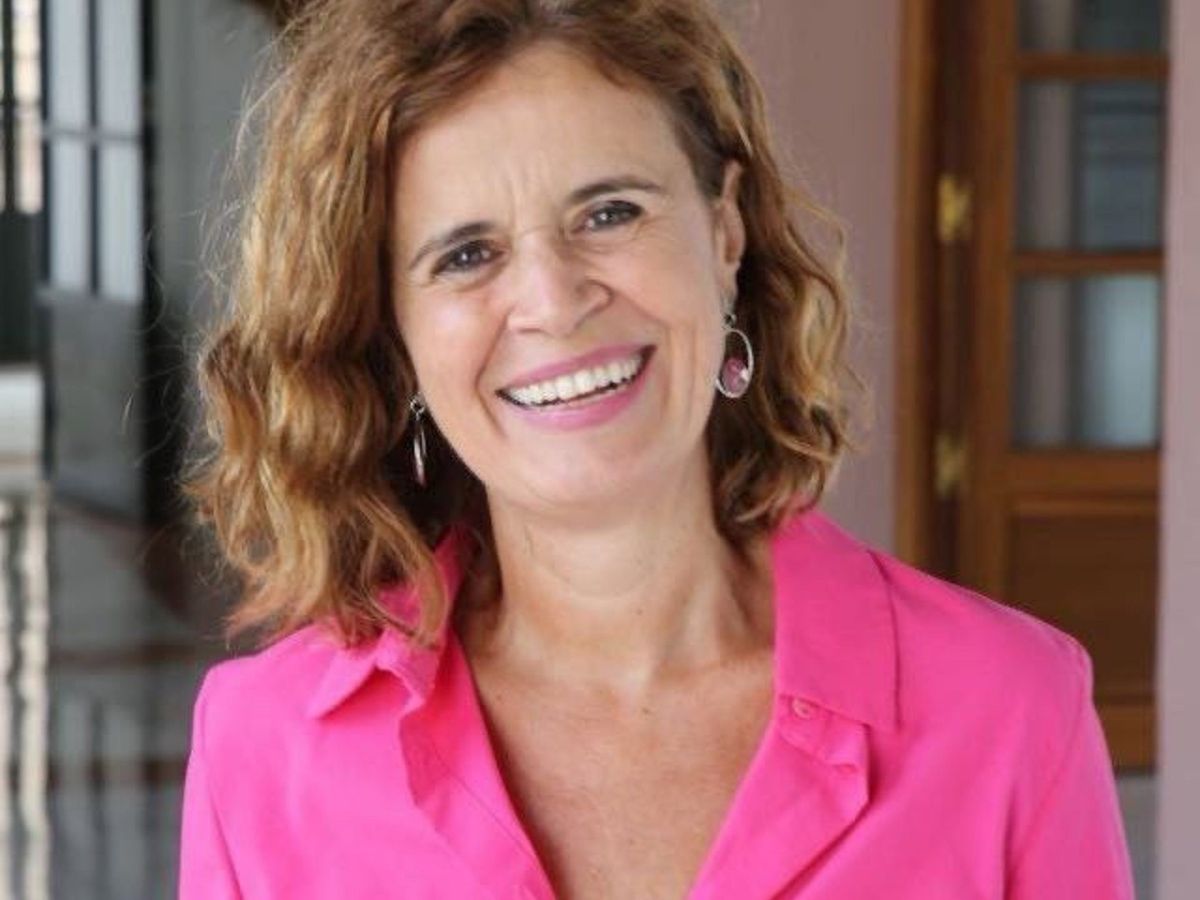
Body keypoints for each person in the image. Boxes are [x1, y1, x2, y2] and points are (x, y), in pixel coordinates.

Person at [178, 1, 1136, 897]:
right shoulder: (261, 749)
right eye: (466, 255)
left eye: (610, 213)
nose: (554, 302)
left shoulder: (1008, 706)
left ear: (724, 232)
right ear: (394, 332)